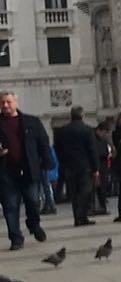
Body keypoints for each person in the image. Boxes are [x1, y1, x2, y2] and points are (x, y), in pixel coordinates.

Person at [0, 92, 50, 250]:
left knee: (33, 201)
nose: (5, 105)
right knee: (10, 206)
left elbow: (43, 142)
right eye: (2, 103)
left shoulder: (31, 121)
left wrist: (47, 161)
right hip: (6, 171)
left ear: (16, 102)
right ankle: (15, 238)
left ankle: (34, 225)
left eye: (8, 102)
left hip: (29, 169)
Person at [52, 106, 99, 226]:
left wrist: (63, 161)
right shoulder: (87, 130)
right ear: (82, 116)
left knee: (74, 193)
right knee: (85, 191)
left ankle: (77, 217)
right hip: (85, 166)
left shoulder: (62, 131)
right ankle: (82, 216)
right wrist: (95, 168)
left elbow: (57, 148)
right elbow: (92, 150)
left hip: (69, 166)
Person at [92, 120, 112, 216]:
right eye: (105, 133)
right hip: (96, 167)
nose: (105, 135)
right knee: (94, 188)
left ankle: (102, 206)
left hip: (103, 167)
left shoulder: (103, 140)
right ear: (100, 131)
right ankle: (95, 207)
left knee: (102, 188)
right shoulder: (93, 139)